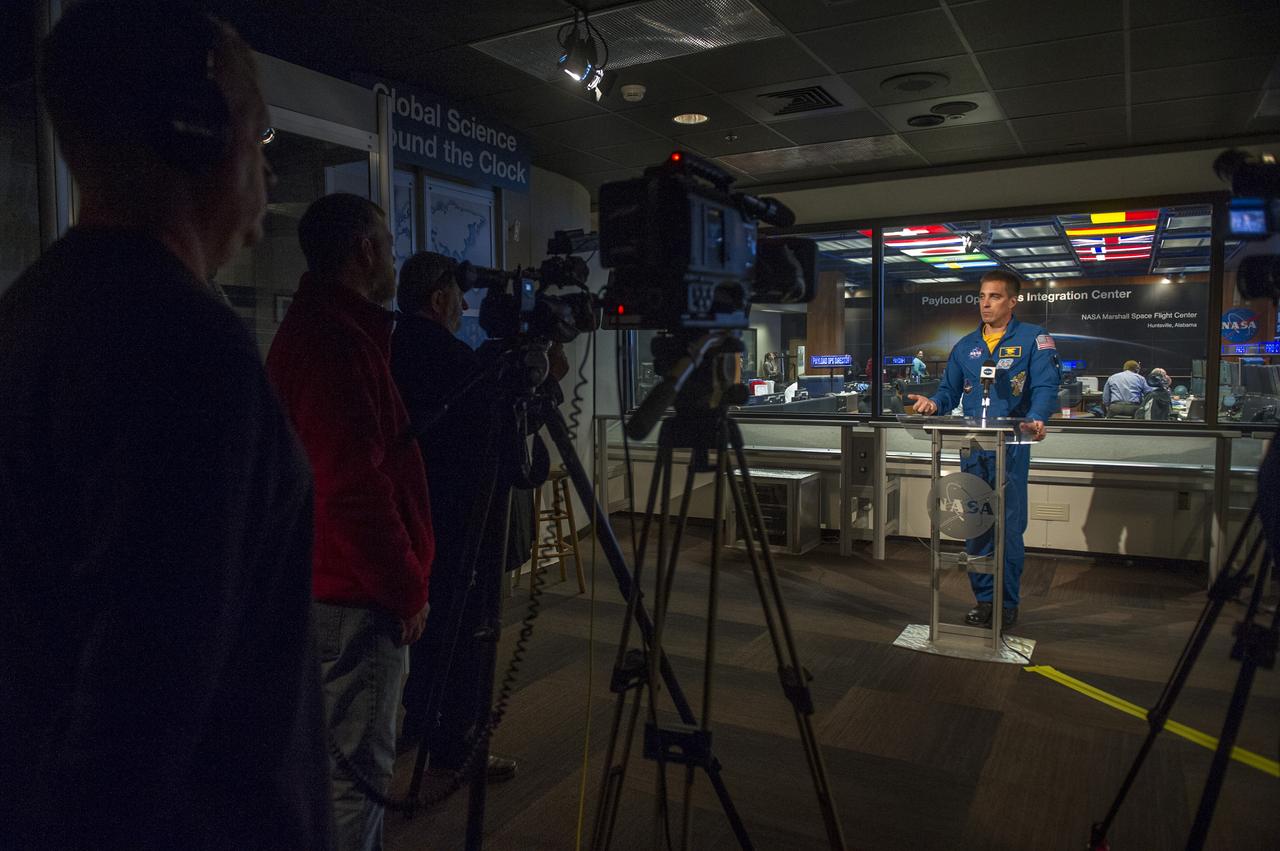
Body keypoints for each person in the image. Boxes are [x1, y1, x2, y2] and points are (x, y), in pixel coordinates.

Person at [0, 3, 331, 847]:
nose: (263, 173)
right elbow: (137, 715)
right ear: (195, 132)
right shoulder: (193, 355)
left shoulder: (26, 317)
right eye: (256, 139)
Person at [267, 194, 434, 850]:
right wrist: (407, 587)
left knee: (338, 768)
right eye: (387, 243)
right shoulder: (335, 342)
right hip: (356, 601)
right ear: (363, 250)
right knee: (356, 776)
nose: (393, 256)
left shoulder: (326, 329)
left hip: (338, 591)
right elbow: (354, 491)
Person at [392, 251, 555, 785]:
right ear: (438, 299)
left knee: (434, 625)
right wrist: (541, 380)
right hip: (467, 518)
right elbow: (508, 449)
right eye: (459, 297)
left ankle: (419, 719)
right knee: (472, 631)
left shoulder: (393, 350)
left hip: (418, 517)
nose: (465, 307)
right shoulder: (453, 360)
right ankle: (460, 743)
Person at [908, 270, 1059, 629]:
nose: (985, 303)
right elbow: (949, 393)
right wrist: (933, 404)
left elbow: (1046, 386)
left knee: (1007, 527)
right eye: (981, 296)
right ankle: (984, 600)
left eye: (993, 296)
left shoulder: (1035, 339)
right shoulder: (965, 347)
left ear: (1012, 301)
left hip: (1012, 446)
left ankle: (1007, 603)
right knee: (975, 522)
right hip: (973, 448)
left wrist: (1037, 417)